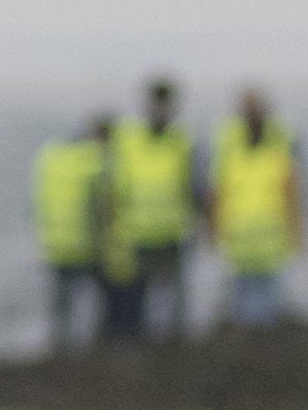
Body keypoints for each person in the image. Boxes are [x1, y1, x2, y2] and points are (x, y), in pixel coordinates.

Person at [107, 77, 201, 339]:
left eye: (165, 104)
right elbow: (116, 186)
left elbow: (195, 186)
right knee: (137, 296)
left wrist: (198, 225)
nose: (159, 110)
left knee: (176, 296)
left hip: (174, 230)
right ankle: (141, 342)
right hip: (137, 231)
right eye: (155, 103)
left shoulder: (183, 141)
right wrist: (114, 228)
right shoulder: (128, 140)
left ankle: (176, 343)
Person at [209, 85, 308, 328]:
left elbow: (292, 194)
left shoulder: (278, 151)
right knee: (242, 303)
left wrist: (298, 233)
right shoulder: (230, 152)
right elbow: (217, 194)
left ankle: (262, 349)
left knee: (267, 304)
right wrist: (213, 229)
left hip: (270, 242)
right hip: (240, 241)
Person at [30, 116, 110, 352]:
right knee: (94, 301)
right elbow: (103, 207)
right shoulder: (93, 162)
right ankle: (87, 348)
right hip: (85, 245)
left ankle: (58, 348)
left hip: (54, 244)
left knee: (60, 305)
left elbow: (37, 203)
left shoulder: (50, 157)